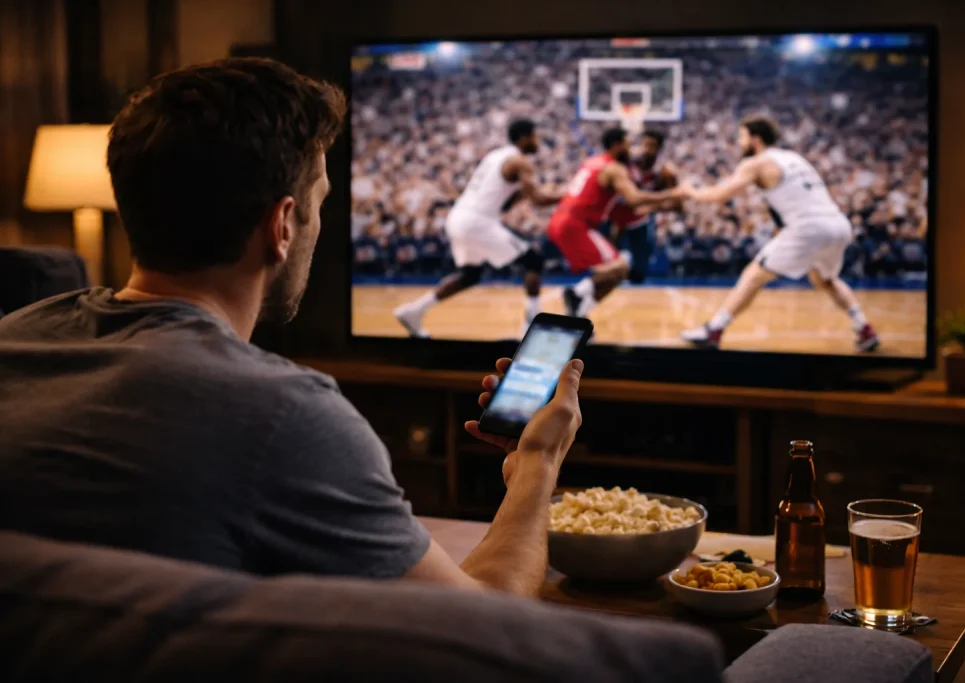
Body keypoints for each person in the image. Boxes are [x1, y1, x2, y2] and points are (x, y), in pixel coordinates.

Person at [0, 58, 583, 597]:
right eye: (319, 201)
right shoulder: (283, 417)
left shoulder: (17, 334)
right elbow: (483, 631)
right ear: (282, 224)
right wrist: (537, 464)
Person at [679, 116, 880, 352]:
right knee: (825, 280)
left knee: (754, 275)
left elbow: (720, 195)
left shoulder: (755, 163)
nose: (738, 142)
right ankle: (864, 327)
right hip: (838, 224)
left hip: (809, 227)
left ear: (755, 140)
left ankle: (713, 330)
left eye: (741, 137)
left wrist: (689, 191)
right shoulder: (794, 157)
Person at [393, 119, 560, 338]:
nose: (538, 141)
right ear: (523, 137)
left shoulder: (496, 156)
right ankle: (531, 328)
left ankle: (413, 312)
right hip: (477, 222)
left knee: (470, 275)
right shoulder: (520, 161)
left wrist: (524, 194)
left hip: (460, 218)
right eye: (535, 136)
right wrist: (568, 192)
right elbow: (538, 199)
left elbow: (506, 204)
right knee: (533, 260)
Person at [548, 128, 685, 319]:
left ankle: (579, 313)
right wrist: (672, 194)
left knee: (618, 274)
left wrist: (659, 204)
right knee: (619, 269)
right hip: (583, 222)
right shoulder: (617, 167)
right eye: (632, 143)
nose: (638, 148)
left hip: (569, 220)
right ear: (617, 145)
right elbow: (634, 198)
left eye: (650, 146)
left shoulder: (592, 162)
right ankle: (577, 292)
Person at [604, 130, 679, 284]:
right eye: (644, 144)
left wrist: (650, 207)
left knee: (639, 272)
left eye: (651, 146)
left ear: (659, 150)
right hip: (618, 214)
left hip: (641, 218)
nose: (646, 149)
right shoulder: (627, 162)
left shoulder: (666, 172)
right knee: (606, 262)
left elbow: (677, 204)